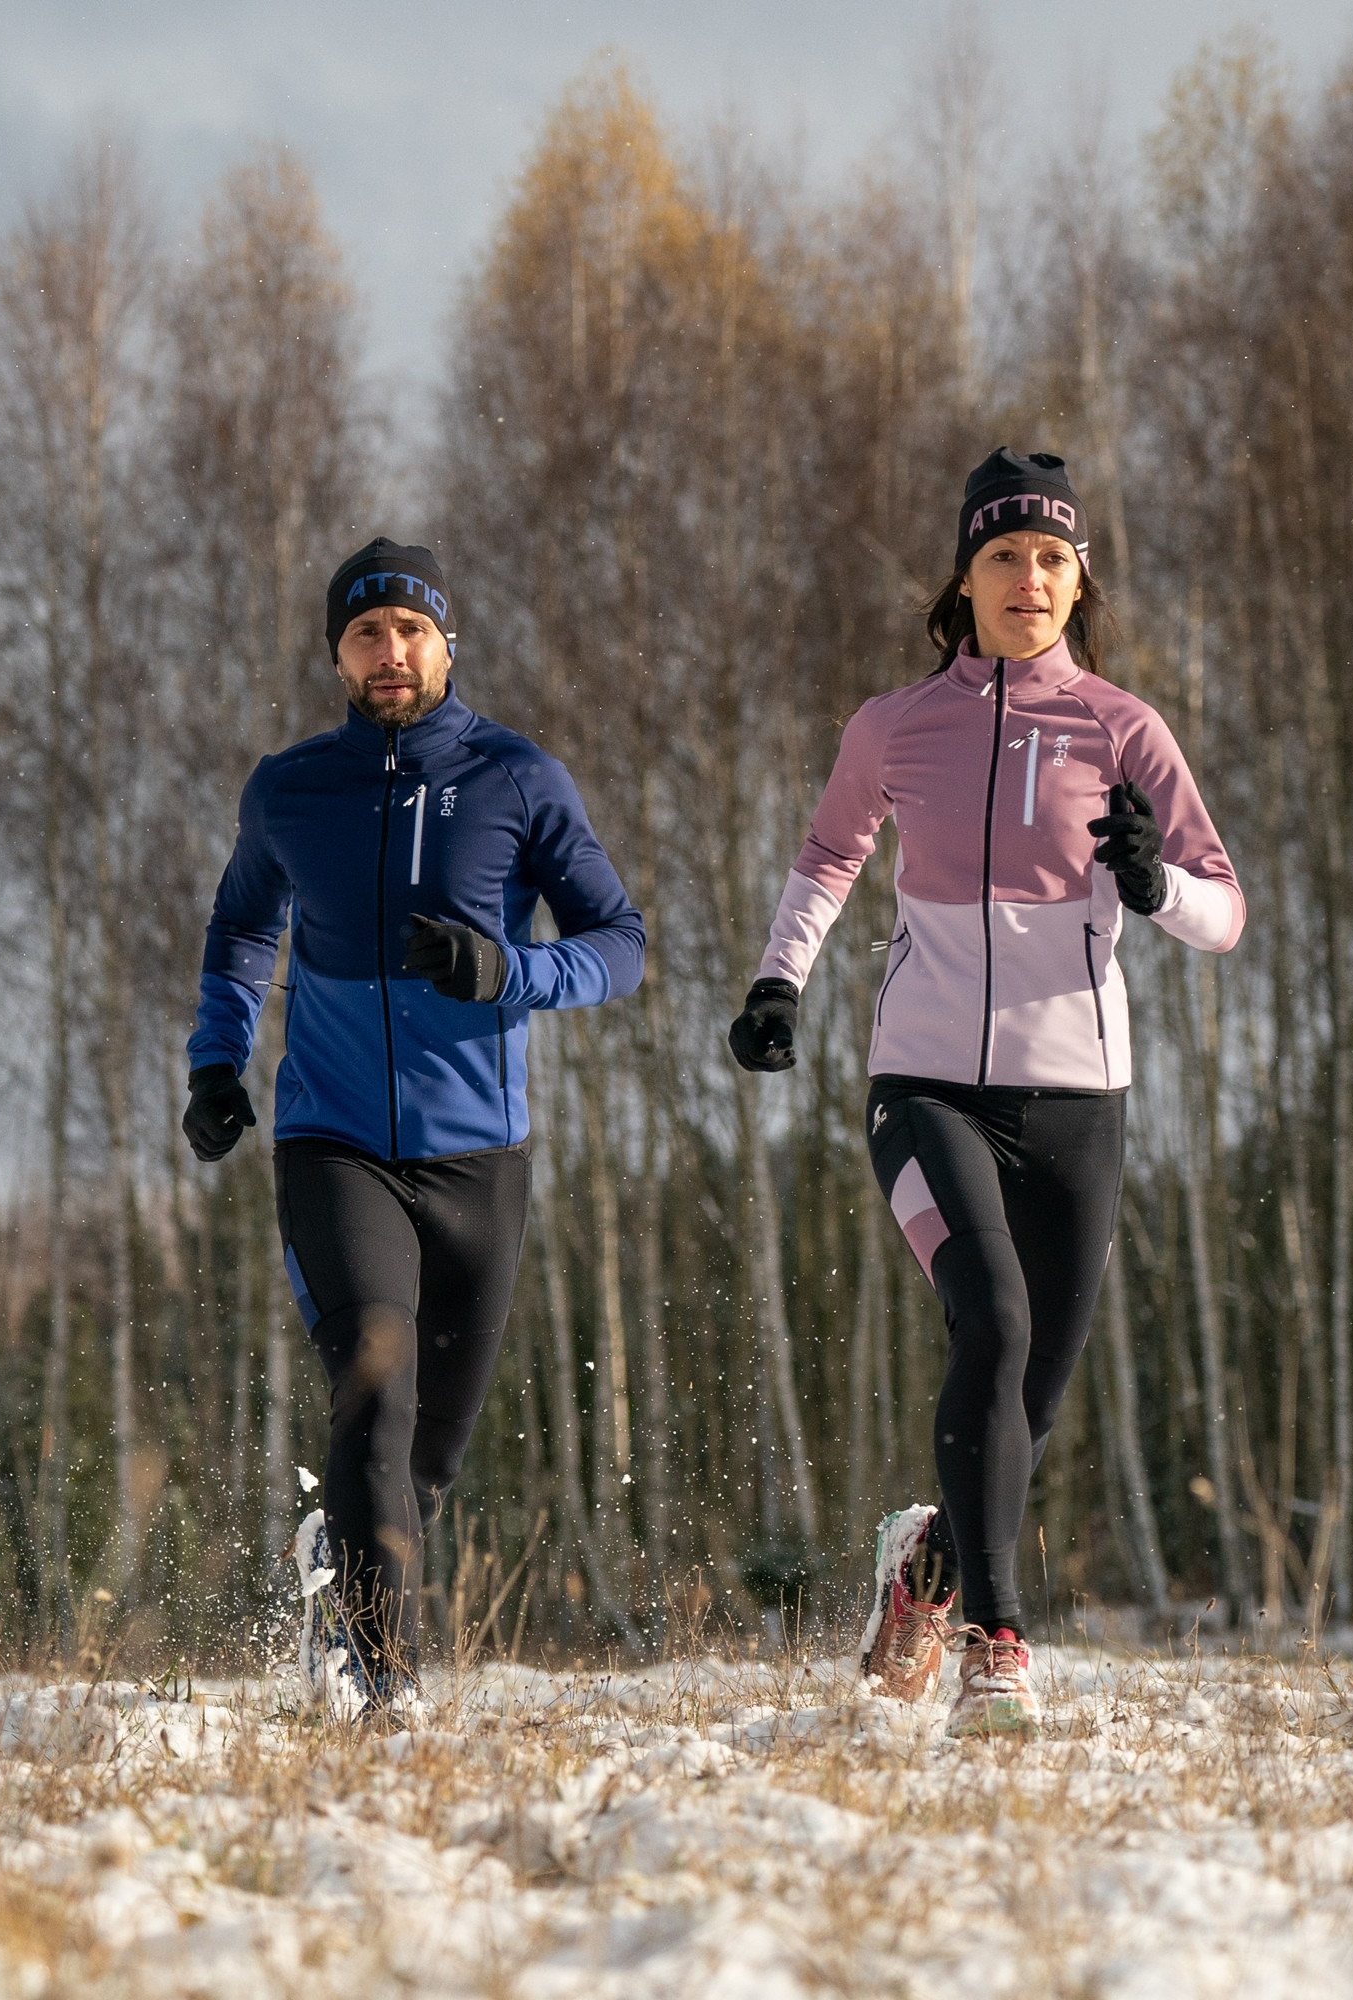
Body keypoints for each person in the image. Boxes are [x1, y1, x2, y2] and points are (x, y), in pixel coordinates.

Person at [728, 450, 1243, 1736]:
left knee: (1029, 1398)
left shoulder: (1124, 728)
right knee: (993, 1323)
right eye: (1004, 556)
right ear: (963, 577)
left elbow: (1222, 910)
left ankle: (926, 1566)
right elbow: (826, 852)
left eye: (1053, 560)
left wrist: (1151, 887)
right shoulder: (894, 724)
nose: (1029, 579)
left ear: (1080, 583)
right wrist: (777, 981)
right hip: (923, 1086)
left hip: (1078, 1097)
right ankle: (995, 1640)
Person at [184, 537, 645, 1716]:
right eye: (363, 634)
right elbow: (241, 929)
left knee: (425, 1463)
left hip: (479, 1155)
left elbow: (620, 945)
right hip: (332, 1141)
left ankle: (338, 1566)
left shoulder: (516, 778)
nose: (388, 654)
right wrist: (217, 1062)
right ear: (335, 653)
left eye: (409, 631)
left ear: (448, 642)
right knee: (372, 1395)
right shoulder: (291, 787)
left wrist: (508, 970)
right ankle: (384, 1687)